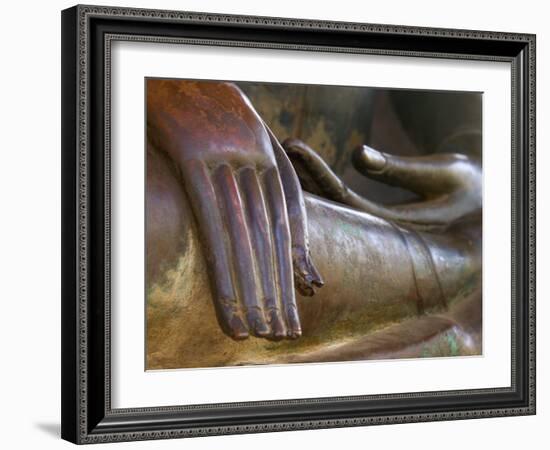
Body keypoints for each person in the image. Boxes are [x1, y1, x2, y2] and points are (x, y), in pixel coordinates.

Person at [146, 79, 482, 369]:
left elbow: (455, 69)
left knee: (488, 260)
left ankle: (455, 263)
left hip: (354, 221)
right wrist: (170, 87)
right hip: (176, 176)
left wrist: (476, 149)